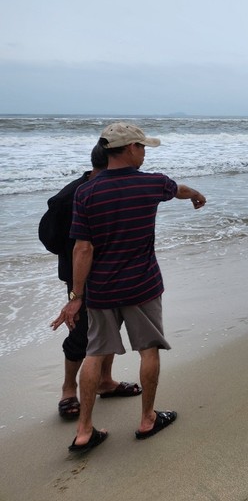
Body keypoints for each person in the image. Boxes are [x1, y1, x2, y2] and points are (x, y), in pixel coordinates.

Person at [50, 122, 206, 453]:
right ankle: (148, 418)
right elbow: (177, 189)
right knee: (148, 350)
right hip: (143, 286)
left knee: (94, 353)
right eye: (143, 147)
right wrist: (195, 195)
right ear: (130, 148)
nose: (145, 152)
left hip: (102, 290)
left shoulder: (86, 192)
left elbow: (83, 249)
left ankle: (84, 430)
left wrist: (76, 297)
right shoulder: (152, 184)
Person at [42, 144, 142, 420]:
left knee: (111, 328)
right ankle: (67, 390)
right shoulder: (69, 197)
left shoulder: (119, 186)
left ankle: (104, 381)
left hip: (116, 270)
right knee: (81, 334)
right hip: (83, 278)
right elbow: (51, 240)